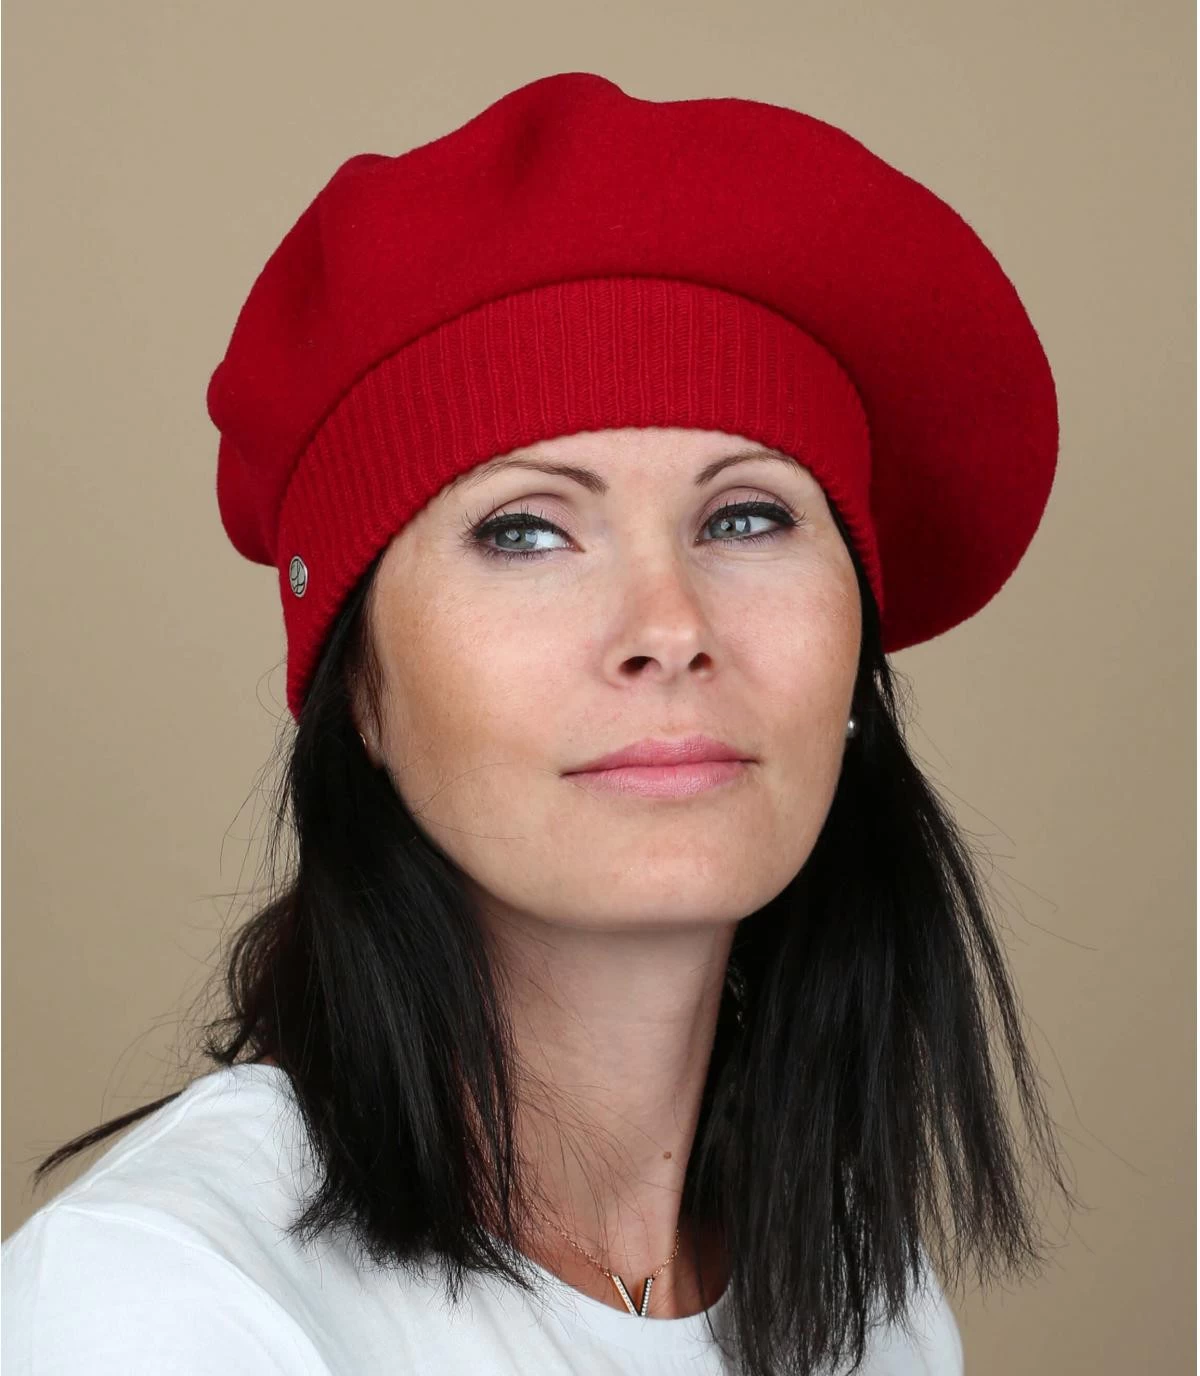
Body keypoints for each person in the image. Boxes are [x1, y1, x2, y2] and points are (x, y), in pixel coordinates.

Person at [2, 71, 1077, 1375]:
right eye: (524, 530)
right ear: (360, 690)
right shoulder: (165, 1300)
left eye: (746, 516)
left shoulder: (868, 1294)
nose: (668, 625)